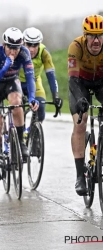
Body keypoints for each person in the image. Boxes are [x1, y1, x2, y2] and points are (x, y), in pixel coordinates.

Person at [0, 27, 39, 182]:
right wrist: (5, 67)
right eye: (10, 47)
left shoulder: (24, 53)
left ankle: (20, 142)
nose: (13, 51)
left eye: (17, 48)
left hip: (11, 83)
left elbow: (30, 77)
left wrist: (33, 97)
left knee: (16, 103)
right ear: (4, 45)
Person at [68, 14, 103, 196]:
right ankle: (80, 176)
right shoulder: (76, 46)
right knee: (80, 123)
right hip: (80, 83)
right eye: (92, 35)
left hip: (101, 83)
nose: (96, 40)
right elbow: (73, 79)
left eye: (100, 35)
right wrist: (81, 98)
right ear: (85, 35)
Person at [19, 27, 63, 122]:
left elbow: (51, 76)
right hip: (17, 82)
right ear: (23, 43)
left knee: (41, 107)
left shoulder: (44, 53)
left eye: (35, 45)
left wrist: (55, 96)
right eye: (29, 45)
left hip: (34, 81)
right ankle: (19, 133)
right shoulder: (18, 51)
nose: (31, 49)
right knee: (19, 112)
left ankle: (34, 132)